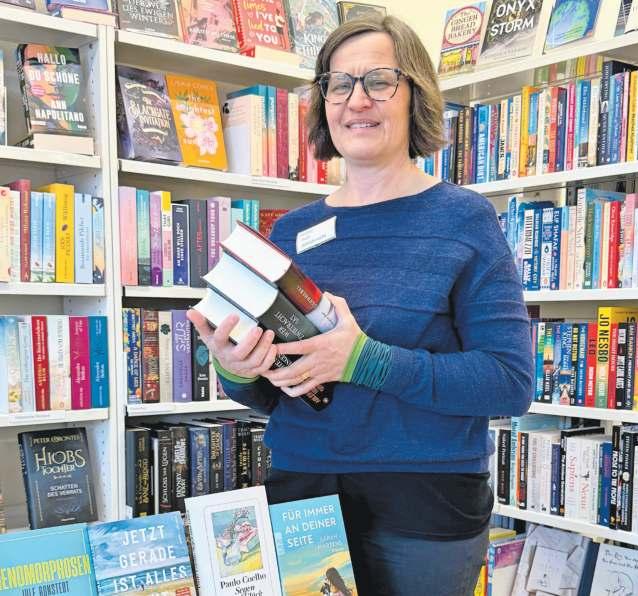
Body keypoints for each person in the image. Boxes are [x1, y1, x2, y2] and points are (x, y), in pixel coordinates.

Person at [188, 15, 533, 596]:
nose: (357, 100)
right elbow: (277, 393)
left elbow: (509, 382)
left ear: (415, 94)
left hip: (424, 501)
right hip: (302, 491)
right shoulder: (292, 231)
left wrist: (365, 360)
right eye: (339, 84)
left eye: (379, 80)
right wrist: (237, 367)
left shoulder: (464, 219)